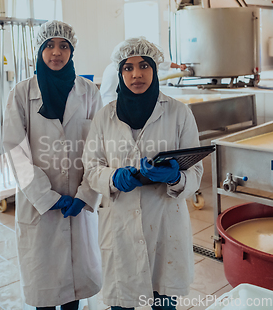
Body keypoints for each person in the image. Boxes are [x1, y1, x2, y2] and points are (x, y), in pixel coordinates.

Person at [82, 37, 203, 310]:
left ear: (155, 69)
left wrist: (176, 178)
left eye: (144, 65)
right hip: (120, 222)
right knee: (122, 302)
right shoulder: (104, 116)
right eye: (128, 67)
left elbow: (195, 171)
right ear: (119, 72)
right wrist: (112, 178)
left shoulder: (179, 113)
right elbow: (91, 167)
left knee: (164, 301)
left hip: (165, 221)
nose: (136, 74)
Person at [3, 20, 103, 310]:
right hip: (39, 208)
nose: (56, 52)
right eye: (49, 45)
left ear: (72, 51)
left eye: (63, 46)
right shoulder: (22, 93)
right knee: (45, 288)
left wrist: (87, 194)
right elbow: (14, 149)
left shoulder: (89, 92)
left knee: (75, 286)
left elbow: (100, 147)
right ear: (39, 49)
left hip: (78, 201)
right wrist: (45, 196)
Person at [100, 57, 187, 105]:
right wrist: (179, 66)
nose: (137, 75)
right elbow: (160, 62)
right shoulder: (118, 69)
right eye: (128, 68)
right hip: (115, 104)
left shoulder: (111, 66)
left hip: (105, 103)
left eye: (143, 67)